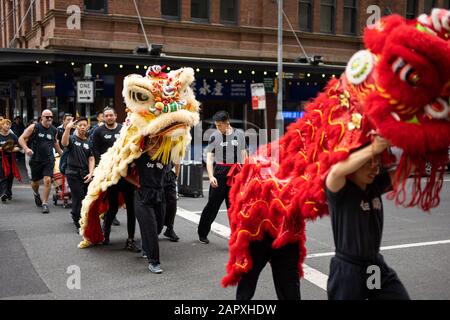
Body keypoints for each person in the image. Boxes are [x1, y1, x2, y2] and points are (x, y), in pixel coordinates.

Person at [325, 135, 410, 300]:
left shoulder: (375, 186)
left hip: (374, 268)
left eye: (377, 161)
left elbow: (409, 167)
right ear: (353, 163)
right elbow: (335, 171)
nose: (374, 168)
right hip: (348, 271)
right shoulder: (339, 190)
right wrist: (374, 148)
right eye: (368, 162)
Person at [91, 107, 139, 252]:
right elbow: (96, 151)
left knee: (131, 208)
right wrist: (102, 168)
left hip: (127, 175)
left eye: (111, 115)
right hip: (111, 176)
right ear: (103, 118)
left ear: (116, 116)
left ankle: (130, 240)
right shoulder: (98, 132)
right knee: (112, 207)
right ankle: (106, 234)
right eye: (106, 116)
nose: (109, 117)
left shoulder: (124, 129)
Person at [198, 111, 247, 244]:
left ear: (227, 123)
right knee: (212, 206)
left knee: (234, 207)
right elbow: (209, 158)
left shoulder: (240, 134)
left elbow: (244, 154)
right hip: (219, 173)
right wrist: (211, 176)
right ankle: (202, 233)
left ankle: (236, 235)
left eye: (220, 125)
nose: (218, 128)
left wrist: (246, 174)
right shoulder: (215, 136)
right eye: (216, 125)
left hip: (236, 173)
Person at [133, 136, 169, 273]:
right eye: (151, 142)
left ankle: (146, 244)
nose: (154, 145)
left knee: (159, 226)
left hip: (159, 195)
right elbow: (123, 173)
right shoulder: (139, 156)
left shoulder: (165, 156)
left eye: (157, 142)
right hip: (143, 196)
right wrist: (138, 184)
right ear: (146, 144)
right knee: (151, 229)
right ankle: (154, 262)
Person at [19, 110, 63, 214]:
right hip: (35, 160)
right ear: (41, 117)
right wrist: (26, 149)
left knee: (47, 180)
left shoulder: (54, 130)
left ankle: (45, 203)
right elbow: (21, 138)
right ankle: (36, 193)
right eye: (47, 117)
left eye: (51, 117)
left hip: (48, 159)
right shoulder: (34, 127)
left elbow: (56, 143)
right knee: (34, 183)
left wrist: (63, 155)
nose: (49, 119)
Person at [61, 117, 94, 233]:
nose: (83, 127)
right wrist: (67, 129)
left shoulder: (89, 142)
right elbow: (64, 143)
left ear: (88, 127)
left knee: (84, 197)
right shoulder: (72, 139)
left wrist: (91, 173)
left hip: (85, 174)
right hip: (72, 173)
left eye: (85, 125)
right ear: (76, 127)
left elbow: (91, 158)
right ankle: (77, 220)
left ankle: (79, 216)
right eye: (80, 125)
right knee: (78, 196)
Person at [0, 118, 21, 202]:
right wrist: (2, 149)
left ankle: (8, 192)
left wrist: (11, 149)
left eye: (9, 124)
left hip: (11, 159)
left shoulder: (12, 136)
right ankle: (3, 193)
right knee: (3, 176)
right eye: (6, 124)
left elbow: (19, 146)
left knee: (10, 176)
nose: (8, 126)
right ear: (1, 125)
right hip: (1, 159)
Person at [161, 163, 181, 242]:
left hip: (169, 175)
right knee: (158, 203)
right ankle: (155, 229)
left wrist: (176, 175)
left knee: (172, 203)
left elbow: (177, 161)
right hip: (156, 174)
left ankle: (170, 228)